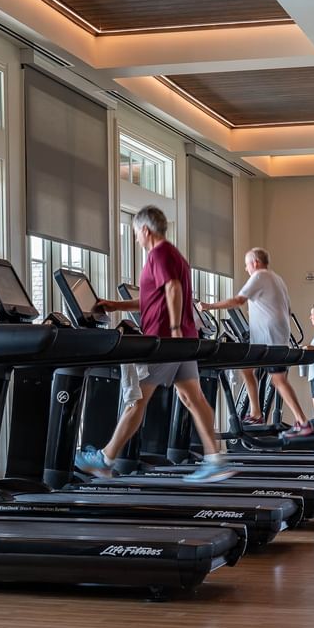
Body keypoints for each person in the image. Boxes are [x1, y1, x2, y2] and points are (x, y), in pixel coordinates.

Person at [74, 206, 236, 483]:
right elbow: (154, 298)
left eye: (136, 233)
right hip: (183, 341)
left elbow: (173, 288)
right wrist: (116, 305)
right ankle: (214, 459)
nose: (137, 239)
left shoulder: (158, 253)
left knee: (136, 400)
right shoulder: (175, 255)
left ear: (145, 230)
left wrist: (171, 329)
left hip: (164, 340)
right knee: (193, 398)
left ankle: (106, 459)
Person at [198, 247, 312, 437]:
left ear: (255, 263)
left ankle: (302, 422)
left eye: (247, 264)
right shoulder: (277, 279)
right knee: (248, 368)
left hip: (270, 339)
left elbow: (237, 300)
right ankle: (257, 413)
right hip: (275, 336)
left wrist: (208, 306)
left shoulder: (259, 276)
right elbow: (283, 307)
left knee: (277, 380)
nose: (245, 268)